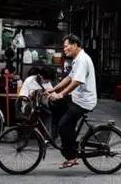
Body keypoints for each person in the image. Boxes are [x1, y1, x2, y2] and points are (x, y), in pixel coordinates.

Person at [47, 34, 97, 169]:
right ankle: (69, 138)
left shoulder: (82, 60)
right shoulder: (77, 59)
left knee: (63, 126)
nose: (65, 49)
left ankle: (72, 155)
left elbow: (77, 81)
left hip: (84, 102)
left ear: (75, 45)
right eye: (64, 46)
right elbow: (69, 77)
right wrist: (53, 90)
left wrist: (61, 94)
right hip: (77, 98)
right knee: (58, 110)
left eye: (66, 46)